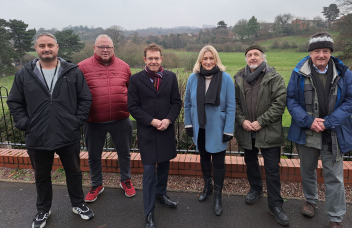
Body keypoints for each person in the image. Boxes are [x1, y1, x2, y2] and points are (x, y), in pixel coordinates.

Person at [7, 33, 94, 228]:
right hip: (37, 135)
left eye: (50, 45)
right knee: (41, 176)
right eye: (42, 45)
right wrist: (24, 123)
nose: (47, 49)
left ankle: (78, 204)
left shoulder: (72, 72)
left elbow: (85, 99)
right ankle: (43, 210)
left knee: (74, 172)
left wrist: (77, 121)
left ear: (57, 47)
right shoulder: (24, 74)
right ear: (36, 48)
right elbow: (14, 101)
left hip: (67, 133)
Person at [287, 32, 352, 228]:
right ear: (310, 53)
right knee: (307, 170)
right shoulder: (298, 72)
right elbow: (291, 100)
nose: (321, 55)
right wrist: (309, 121)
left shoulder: (344, 72)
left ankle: (335, 217)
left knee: (334, 176)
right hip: (307, 131)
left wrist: (328, 122)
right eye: (317, 51)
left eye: (325, 51)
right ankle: (311, 201)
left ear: (330, 53)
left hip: (333, 132)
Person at [233, 44, 289, 226]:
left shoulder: (274, 77)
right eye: (249, 55)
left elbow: (279, 104)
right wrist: (242, 121)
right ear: (246, 59)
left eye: (256, 54)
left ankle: (275, 206)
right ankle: (255, 189)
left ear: (263, 57)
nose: (253, 57)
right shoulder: (239, 78)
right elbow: (234, 103)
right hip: (247, 131)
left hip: (268, 132)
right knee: (250, 163)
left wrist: (261, 121)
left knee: (272, 170)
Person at [128, 43, 182, 228]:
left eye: (156, 58)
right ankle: (149, 212)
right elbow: (133, 107)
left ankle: (161, 194)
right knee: (150, 172)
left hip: (166, 130)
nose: (153, 61)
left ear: (161, 59)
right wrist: (152, 121)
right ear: (145, 59)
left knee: (165, 166)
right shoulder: (135, 80)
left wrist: (168, 120)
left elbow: (176, 103)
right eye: (150, 58)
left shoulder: (171, 77)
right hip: (148, 132)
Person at [78, 35, 135, 202]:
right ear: (94, 48)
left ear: (113, 49)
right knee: (94, 155)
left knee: (124, 153)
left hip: (121, 119)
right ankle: (97, 184)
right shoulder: (82, 67)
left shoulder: (124, 67)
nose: (105, 50)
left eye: (108, 47)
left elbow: (131, 91)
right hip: (93, 121)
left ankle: (126, 180)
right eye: (101, 46)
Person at [184, 45, 235, 216]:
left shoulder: (226, 78)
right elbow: (188, 104)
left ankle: (218, 197)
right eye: (205, 58)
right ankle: (208, 187)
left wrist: (229, 129)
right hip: (200, 127)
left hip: (218, 129)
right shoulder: (193, 78)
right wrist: (188, 124)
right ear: (200, 60)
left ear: (216, 59)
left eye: (211, 58)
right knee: (204, 159)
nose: (208, 61)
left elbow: (230, 106)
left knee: (219, 164)